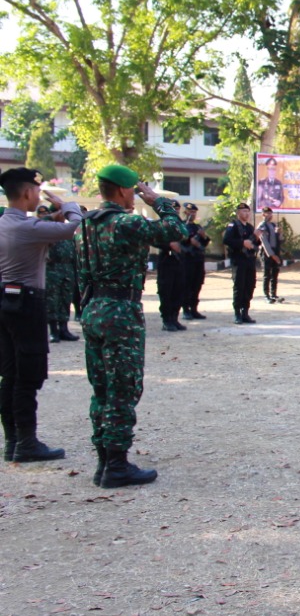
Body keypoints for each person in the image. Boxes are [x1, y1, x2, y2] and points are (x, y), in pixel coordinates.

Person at [79, 164, 182, 487]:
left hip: (93, 307)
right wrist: (157, 201)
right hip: (121, 311)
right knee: (123, 389)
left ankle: (103, 461)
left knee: (102, 389)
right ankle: (117, 465)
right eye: (135, 190)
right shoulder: (126, 223)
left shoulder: (84, 225)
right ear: (125, 191)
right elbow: (176, 231)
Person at [1, 168, 83, 464]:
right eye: (36, 191)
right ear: (26, 193)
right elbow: (74, 225)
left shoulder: (6, 224)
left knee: (9, 374)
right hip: (28, 303)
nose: (38, 195)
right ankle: (27, 443)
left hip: (6, 300)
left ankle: (12, 441)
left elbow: (36, 227)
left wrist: (50, 217)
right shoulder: (27, 228)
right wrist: (66, 205)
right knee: (28, 375)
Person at [39, 204, 79, 343]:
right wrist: (51, 217)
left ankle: (64, 329)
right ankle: (53, 331)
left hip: (67, 269)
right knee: (52, 301)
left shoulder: (68, 233)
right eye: (60, 214)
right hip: (52, 270)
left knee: (65, 300)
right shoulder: (48, 231)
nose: (62, 217)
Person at [222, 203, 259, 324]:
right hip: (238, 259)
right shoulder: (233, 226)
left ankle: (245, 312)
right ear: (238, 213)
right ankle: (237, 313)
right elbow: (227, 240)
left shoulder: (249, 227)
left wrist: (256, 239)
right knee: (239, 285)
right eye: (243, 211)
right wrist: (242, 243)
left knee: (250, 285)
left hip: (249, 259)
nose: (246, 214)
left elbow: (254, 245)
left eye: (248, 211)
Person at [154, 204, 188, 332]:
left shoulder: (181, 225)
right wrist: (169, 245)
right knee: (166, 291)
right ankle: (166, 320)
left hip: (179, 262)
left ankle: (175, 318)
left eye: (177, 210)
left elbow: (187, 239)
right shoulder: (162, 224)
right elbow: (154, 240)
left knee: (178, 290)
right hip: (166, 262)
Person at [180, 204, 209, 320]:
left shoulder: (198, 227)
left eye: (194, 212)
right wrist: (189, 241)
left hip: (198, 260)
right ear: (185, 212)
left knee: (197, 285)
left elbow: (205, 243)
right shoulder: (182, 226)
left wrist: (204, 236)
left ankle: (194, 309)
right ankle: (186, 310)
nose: (192, 214)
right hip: (187, 260)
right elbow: (179, 241)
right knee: (187, 285)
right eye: (190, 211)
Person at [256, 207, 283, 303]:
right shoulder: (262, 226)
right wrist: (272, 255)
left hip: (275, 251)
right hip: (267, 253)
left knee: (275, 273)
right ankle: (266, 295)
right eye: (267, 213)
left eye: (271, 213)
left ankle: (273, 293)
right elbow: (264, 242)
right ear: (263, 214)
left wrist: (279, 233)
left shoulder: (272, 225)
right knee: (267, 274)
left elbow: (279, 240)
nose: (270, 215)